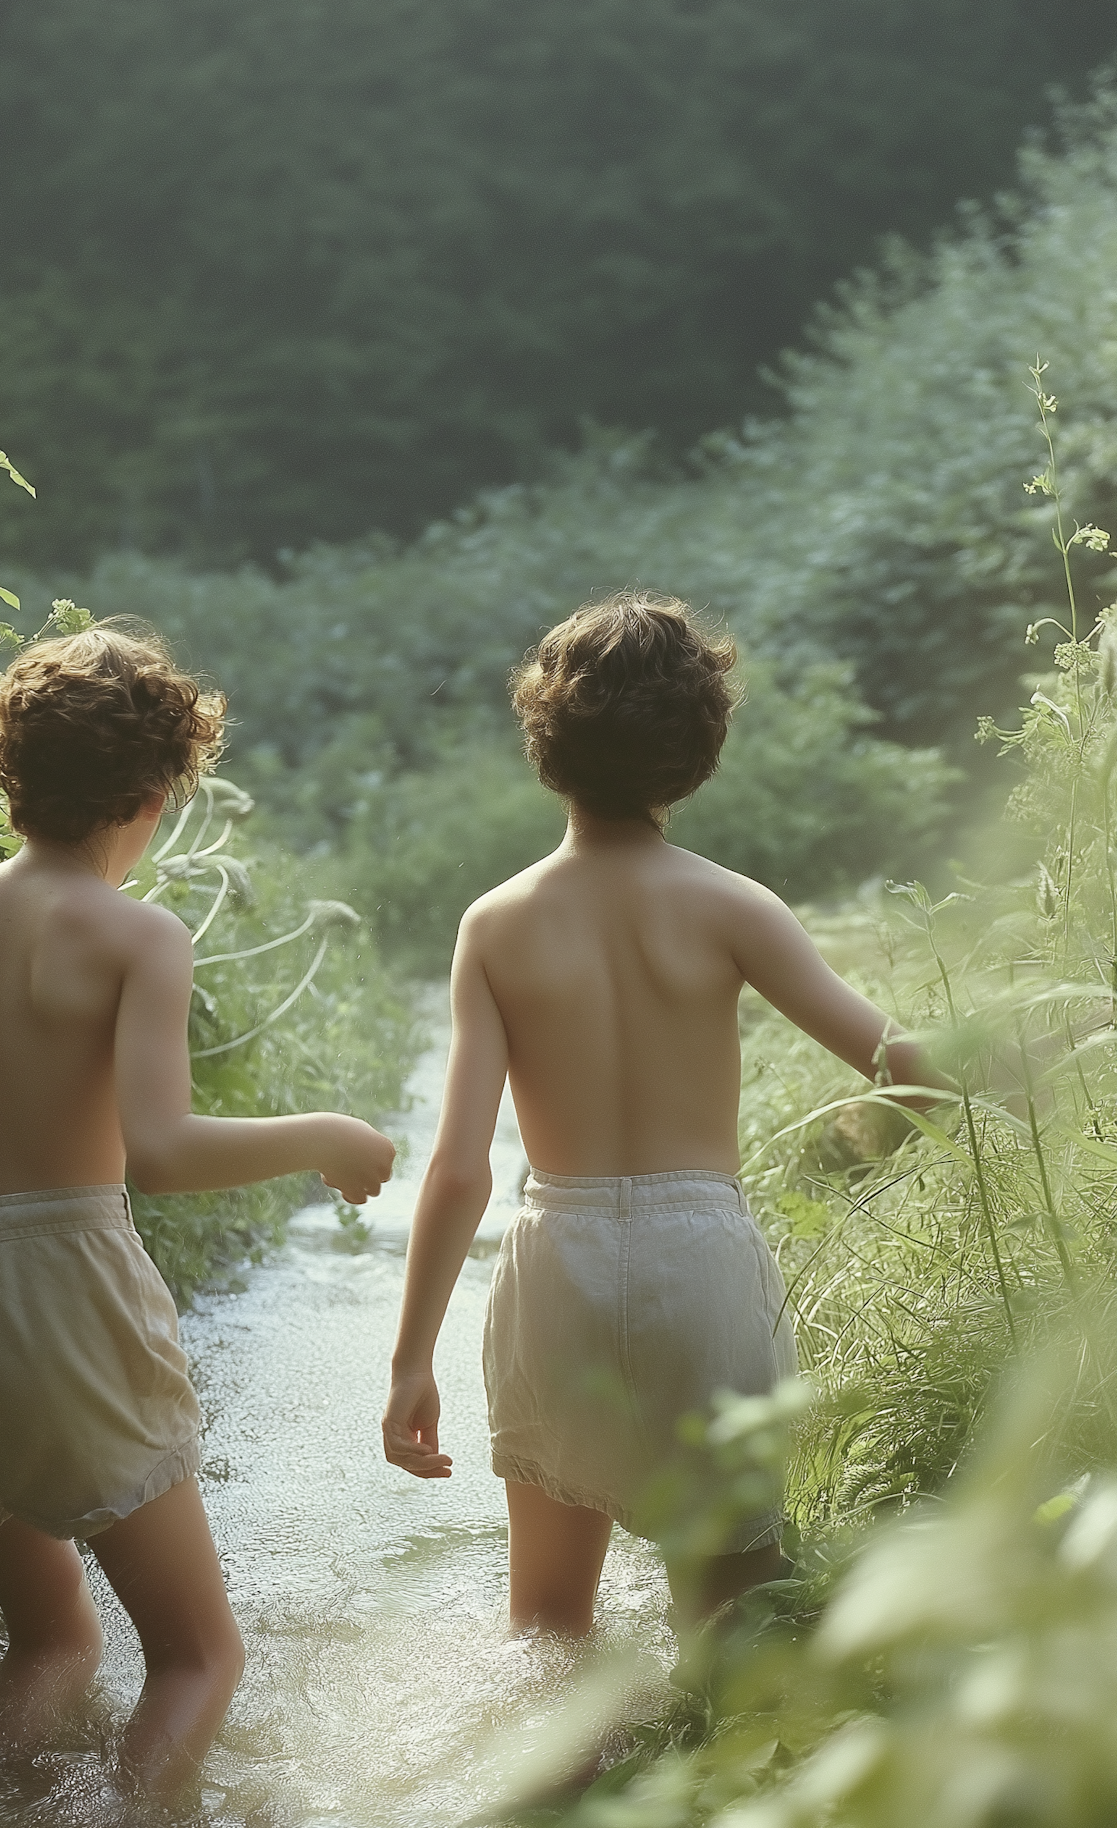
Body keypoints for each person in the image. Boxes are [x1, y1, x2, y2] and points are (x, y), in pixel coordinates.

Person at [0, 620, 395, 1794]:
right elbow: (158, 1152)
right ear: (152, 795)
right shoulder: (139, 934)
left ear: (6, 771)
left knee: (52, 1638)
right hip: (68, 1293)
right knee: (198, 1658)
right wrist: (327, 1134)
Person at [381, 594, 933, 1636]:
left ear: (547, 742)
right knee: (733, 1609)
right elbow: (903, 1067)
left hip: (559, 1267)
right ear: (698, 746)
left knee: (547, 1629)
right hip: (701, 1263)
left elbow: (459, 1169)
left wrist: (411, 1358)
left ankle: (551, 1792)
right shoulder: (734, 907)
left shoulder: (495, 923)